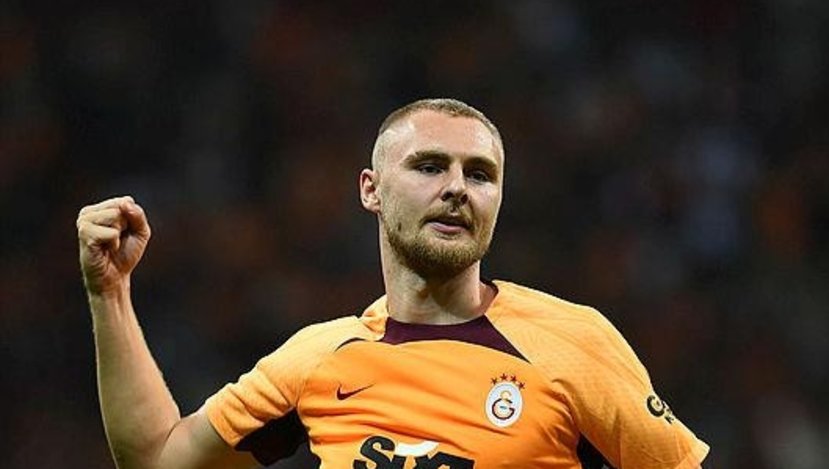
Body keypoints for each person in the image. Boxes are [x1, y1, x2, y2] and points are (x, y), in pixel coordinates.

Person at [77, 98, 709, 468]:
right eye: (429, 166)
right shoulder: (317, 360)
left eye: (479, 174)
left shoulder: (570, 341)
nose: (457, 188)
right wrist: (110, 294)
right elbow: (157, 458)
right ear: (371, 190)